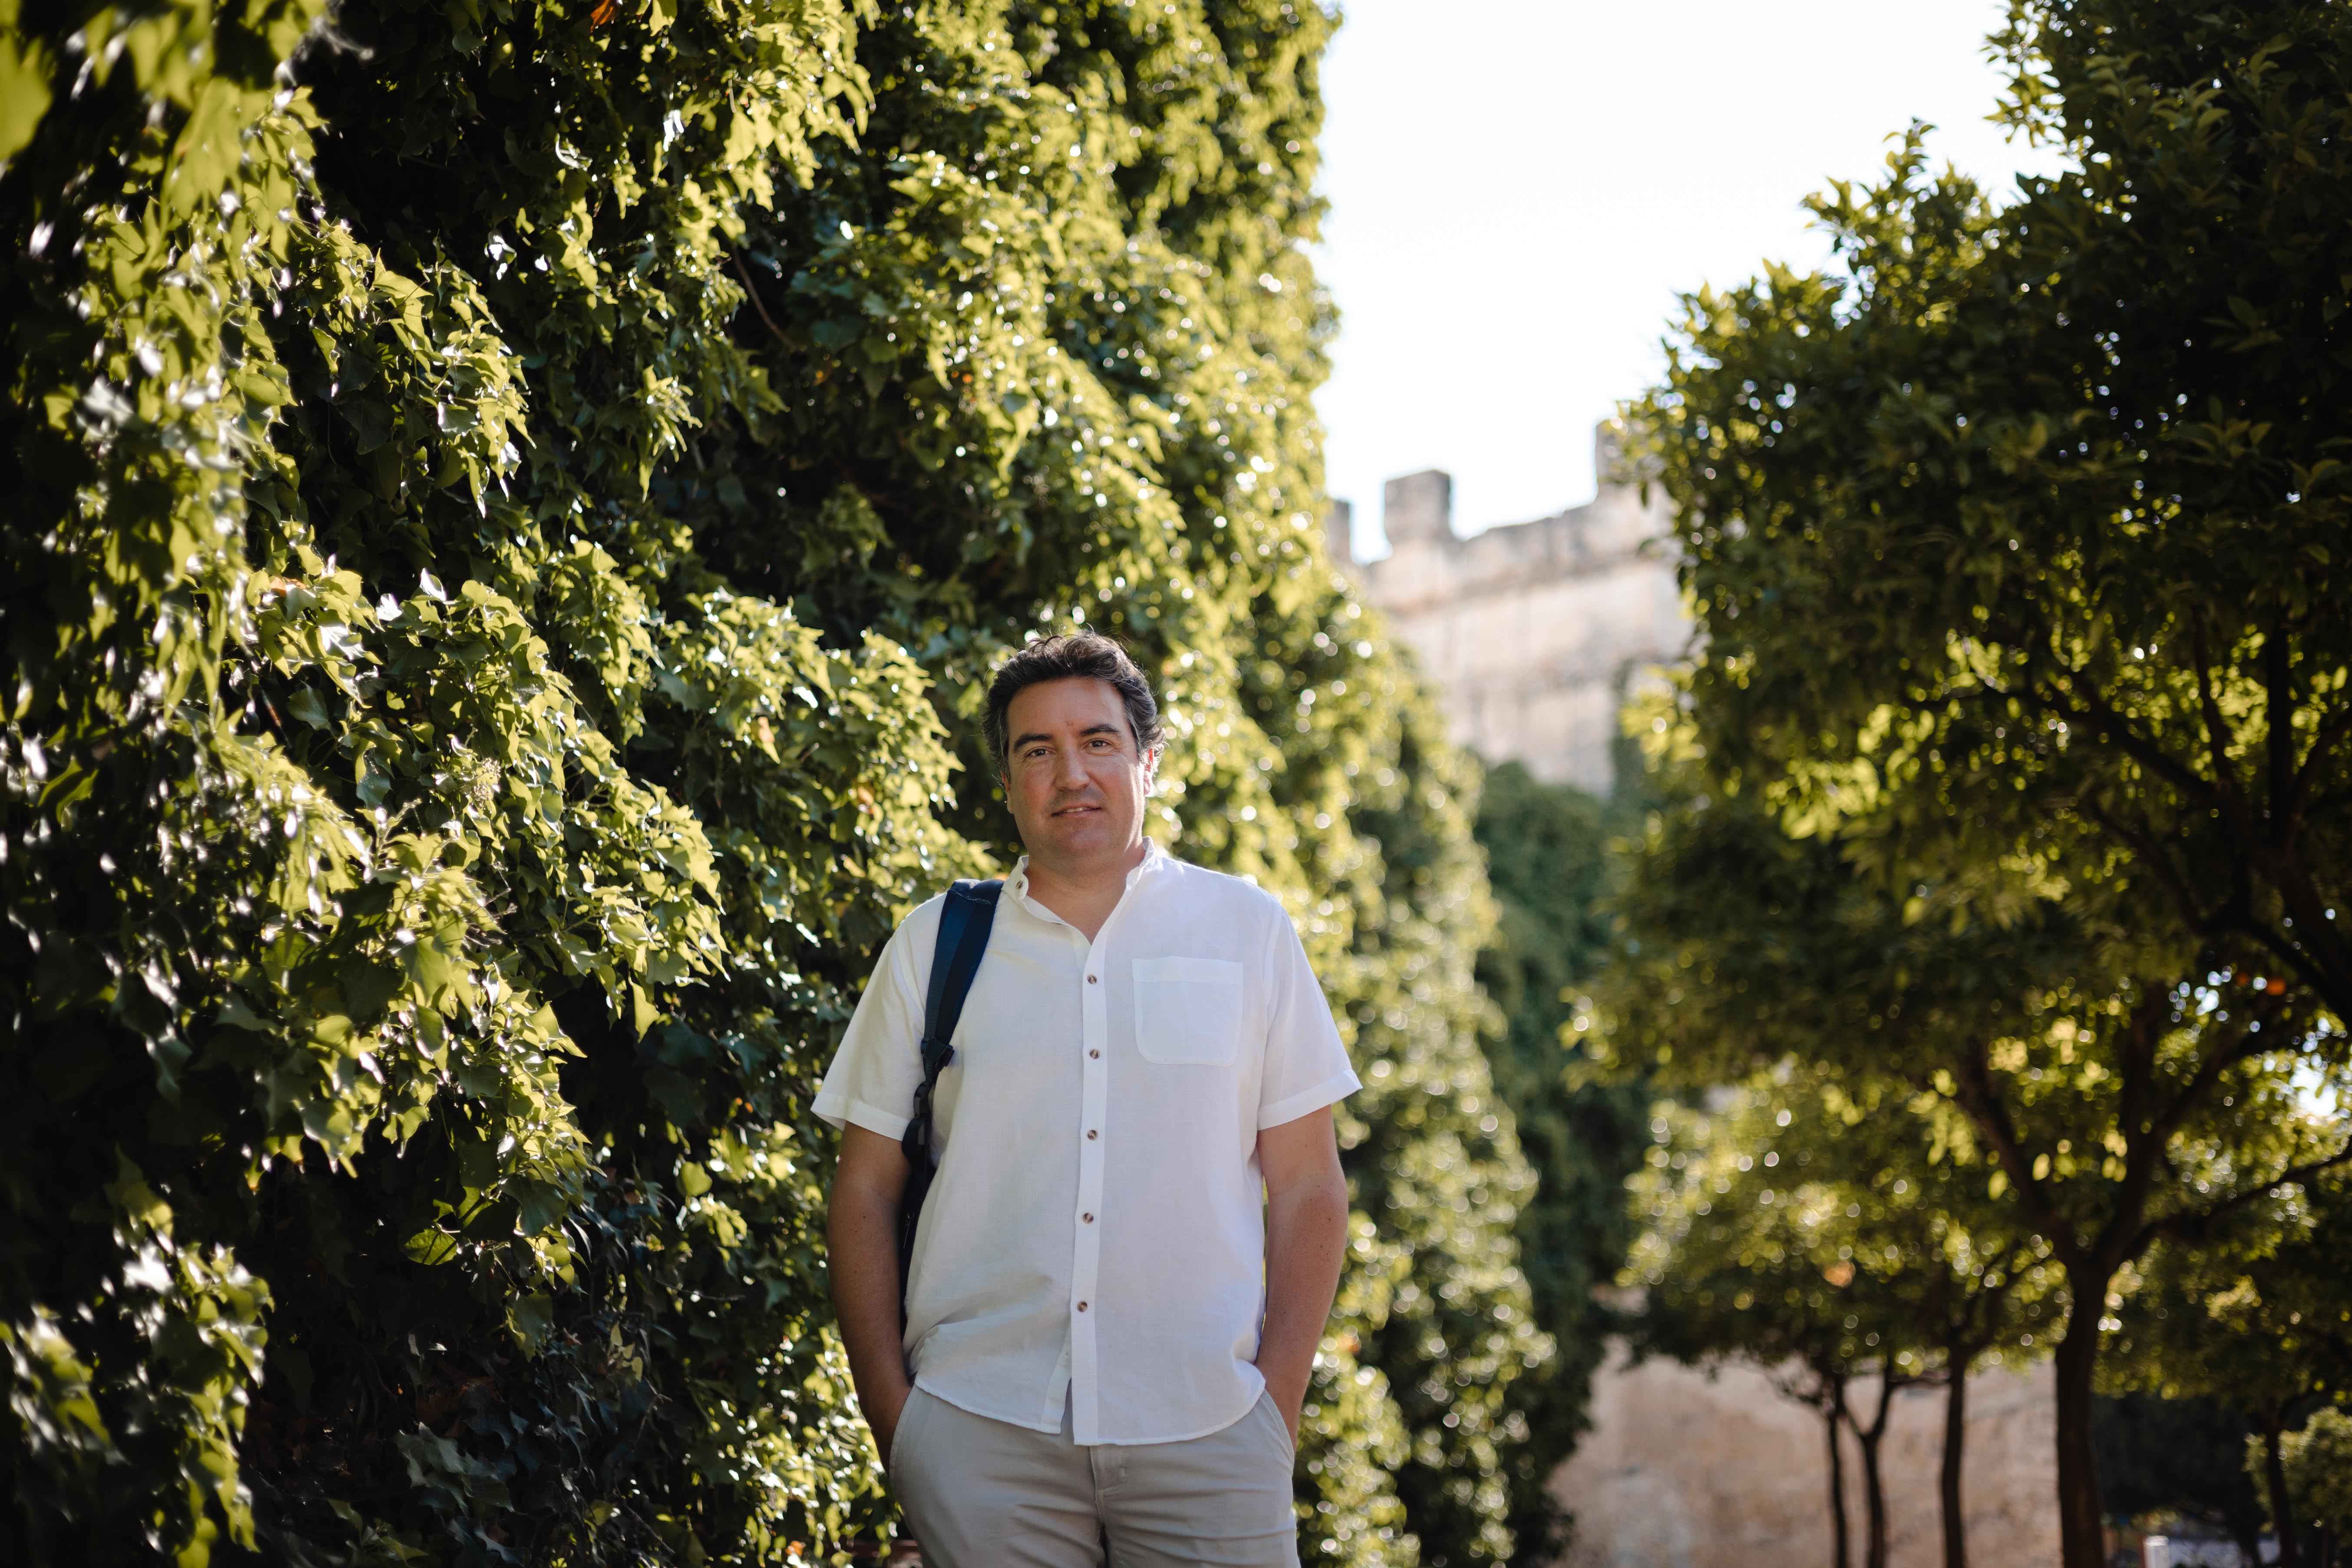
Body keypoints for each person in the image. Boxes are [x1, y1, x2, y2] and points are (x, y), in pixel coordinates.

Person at [817, 633, 1358, 1566]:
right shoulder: (932, 944)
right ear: (1007, 780)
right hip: (980, 1427)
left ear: (1148, 758)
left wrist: (1274, 1405)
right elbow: (863, 1189)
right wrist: (896, 1419)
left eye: (1097, 741)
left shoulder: (1247, 930)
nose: (1070, 771)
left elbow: (1309, 1183)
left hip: (1210, 1425)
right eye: (1037, 749)